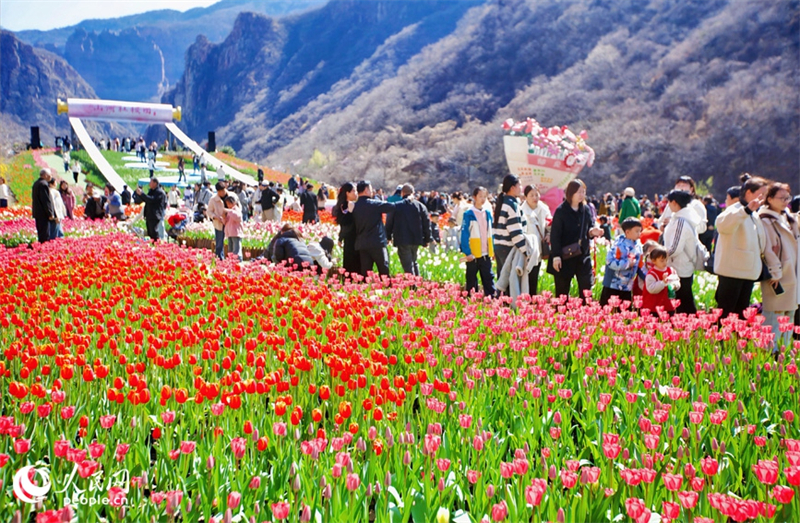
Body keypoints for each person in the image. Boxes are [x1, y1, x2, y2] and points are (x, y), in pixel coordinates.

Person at [714, 174, 768, 319]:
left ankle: (737, 341)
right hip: (732, 272)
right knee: (727, 314)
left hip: (747, 271)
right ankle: (723, 340)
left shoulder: (754, 214)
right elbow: (723, 225)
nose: (763, 198)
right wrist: (746, 211)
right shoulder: (735, 209)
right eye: (761, 194)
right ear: (749, 193)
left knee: (741, 314)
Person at [547, 179, 604, 299]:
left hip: (582, 255)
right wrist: (556, 256)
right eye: (578, 192)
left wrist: (593, 232)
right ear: (570, 193)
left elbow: (588, 228)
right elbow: (555, 235)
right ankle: (562, 315)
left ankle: (585, 314)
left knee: (586, 289)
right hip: (564, 256)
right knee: (562, 292)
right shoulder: (561, 211)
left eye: (583, 192)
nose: (581, 195)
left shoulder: (586, 210)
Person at [759, 182, 799, 353]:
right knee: (774, 315)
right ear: (769, 199)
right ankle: (771, 352)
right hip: (778, 275)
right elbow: (767, 249)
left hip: (792, 272)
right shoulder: (766, 220)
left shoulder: (787, 217)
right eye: (781, 198)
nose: (785, 201)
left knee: (789, 314)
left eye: (787, 198)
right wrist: (775, 271)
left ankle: (784, 350)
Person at [663, 190, 703, 314]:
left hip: (679, 266)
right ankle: (688, 325)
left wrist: (659, 256)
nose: (668, 205)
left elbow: (675, 247)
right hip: (683, 264)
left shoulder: (681, 221)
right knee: (685, 298)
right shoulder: (686, 218)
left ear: (674, 202)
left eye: (668, 202)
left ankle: (688, 325)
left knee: (683, 299)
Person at [386, 184, 431, 276]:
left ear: (402, 193)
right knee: (414, 261)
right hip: (416, 239)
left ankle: (412, 286)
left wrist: (388, 236)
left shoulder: (396, 206)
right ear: (413, 193)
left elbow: (389, 222)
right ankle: (417, 282)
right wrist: (427, 239)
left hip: (402, 238)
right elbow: (426, 224)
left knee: (407, 264)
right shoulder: (420, 206)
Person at [353, 180, 395, 277]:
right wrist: (406, 201)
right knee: (384, 270)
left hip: (362, 244)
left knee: (366, 272)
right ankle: (387, 290)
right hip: (377, 242)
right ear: (366, 190)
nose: (372, 191)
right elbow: (392, 207)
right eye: (371, 189)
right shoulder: (374, 204)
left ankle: (367, 290)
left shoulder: (355, 206)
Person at [460, 186, 496, 296]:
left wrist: (492, 250)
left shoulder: (488, 213)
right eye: (480, 196)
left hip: (486, 254)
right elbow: (464, 234)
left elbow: (491, 232)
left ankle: (491, 301)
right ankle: (470, 303)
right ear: (474, 197)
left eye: (485, 196)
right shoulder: (468, 214)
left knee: (488, 279)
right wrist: (468, 252)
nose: (483, 199)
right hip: (473, 255)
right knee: (471, 280)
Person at [600, 218, 643, 306]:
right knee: (609, 309)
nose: (639, 234)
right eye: (637, 231)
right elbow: (610, 261)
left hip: (627, 286)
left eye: (640, 231)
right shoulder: (619, 245)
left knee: (624, 312)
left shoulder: (638, 245)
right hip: (614, 284)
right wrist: (627, 263)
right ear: (627, 232)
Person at [493, 175, 529, 277]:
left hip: (499, 246)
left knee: (502, 280)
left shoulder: (502, 202)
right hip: (508, 248)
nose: (521, 187)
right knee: (510, 282)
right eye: (520, 185)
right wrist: (526, 251)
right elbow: (515, 232)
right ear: (512, 188)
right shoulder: (512, 205)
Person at [520, 185, 550, 295]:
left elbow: (549, 225)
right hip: (526, 249)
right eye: (531, 195)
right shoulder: (521, 211)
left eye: (536, 195)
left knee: (534, 275)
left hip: (539, 248)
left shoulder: (544, 209)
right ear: (525, 197)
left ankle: (532, 298)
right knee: (525, 276)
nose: (534, 198)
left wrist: (549, 234)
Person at [332, 182, 361, 276]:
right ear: (347, 193)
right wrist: (351, 212)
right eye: (353, 191)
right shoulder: (343, 206)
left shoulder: (355, 204)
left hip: (358, 237)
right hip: (351, 238)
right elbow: (345, 224)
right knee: (351, 262)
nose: (356, 193)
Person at [642, 246, 681, 315]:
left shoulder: (671, 270)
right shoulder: (651, 274)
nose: (665, 263)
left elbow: (677, 281)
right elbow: (651, 289)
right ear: (654, 260)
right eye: (662, 261)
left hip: (668, 306)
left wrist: (675, 286)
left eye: (666, 260)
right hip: (653, 307)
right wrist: (663, 283)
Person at [32, 169, 55, 243]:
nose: (51, 177)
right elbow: (46, 200)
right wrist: (50, 213)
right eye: (50, 175)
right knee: (45, 235)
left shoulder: (36, 183)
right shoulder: (43, 184)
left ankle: (40, 248)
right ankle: (43, 250)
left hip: (38, 213)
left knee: (41, 233)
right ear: (45, 175)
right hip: (43, 214)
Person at [207, 181, 228, 259]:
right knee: (219, 242)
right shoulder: (213, 199)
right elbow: (209, 211)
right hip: (219, 223)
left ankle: (231, 258)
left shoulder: (231, 196)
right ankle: (219, 258)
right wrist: (215, 217)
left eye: (223, 190)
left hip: (230, 222)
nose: (222, 193)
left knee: (231, 241)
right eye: (220, 191)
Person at [222, 195, 244, 261]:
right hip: (230, 232)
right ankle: (231, 260)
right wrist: (224, 217)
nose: (228, 205)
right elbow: (225, 222)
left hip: (236, 232)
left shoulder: (236, 209)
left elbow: (238, 217)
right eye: (227, 204)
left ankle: (238, 260)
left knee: (236, 249)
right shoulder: (230, 211)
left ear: (234, 202)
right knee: (230, 249)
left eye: (229, 203)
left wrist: (228, 211)